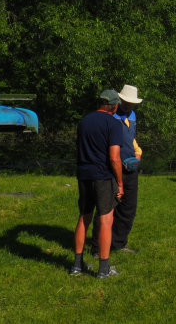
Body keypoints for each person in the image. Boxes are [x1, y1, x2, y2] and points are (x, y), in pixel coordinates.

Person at [71, 89, 124, 279]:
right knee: (105, 220)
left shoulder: (84, 121)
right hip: (103, 177)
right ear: (115, 105)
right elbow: (114, 158)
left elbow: (77, 153)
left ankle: (77, 266)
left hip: (84, 174)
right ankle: (103, 270)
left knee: (84, 218)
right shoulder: (113, 124)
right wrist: (119, 182)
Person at [92, 85, 143, 256]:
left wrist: (138, 152)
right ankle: (98, 247)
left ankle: (119, 243)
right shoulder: (111, 115)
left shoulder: (133, 116)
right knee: (106, 208)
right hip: (112, 167)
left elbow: (132, 138)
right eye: (126, 101)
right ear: (119, 100)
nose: (128, 105)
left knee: (128, 208)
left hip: (130, 167)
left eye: (131, 102)